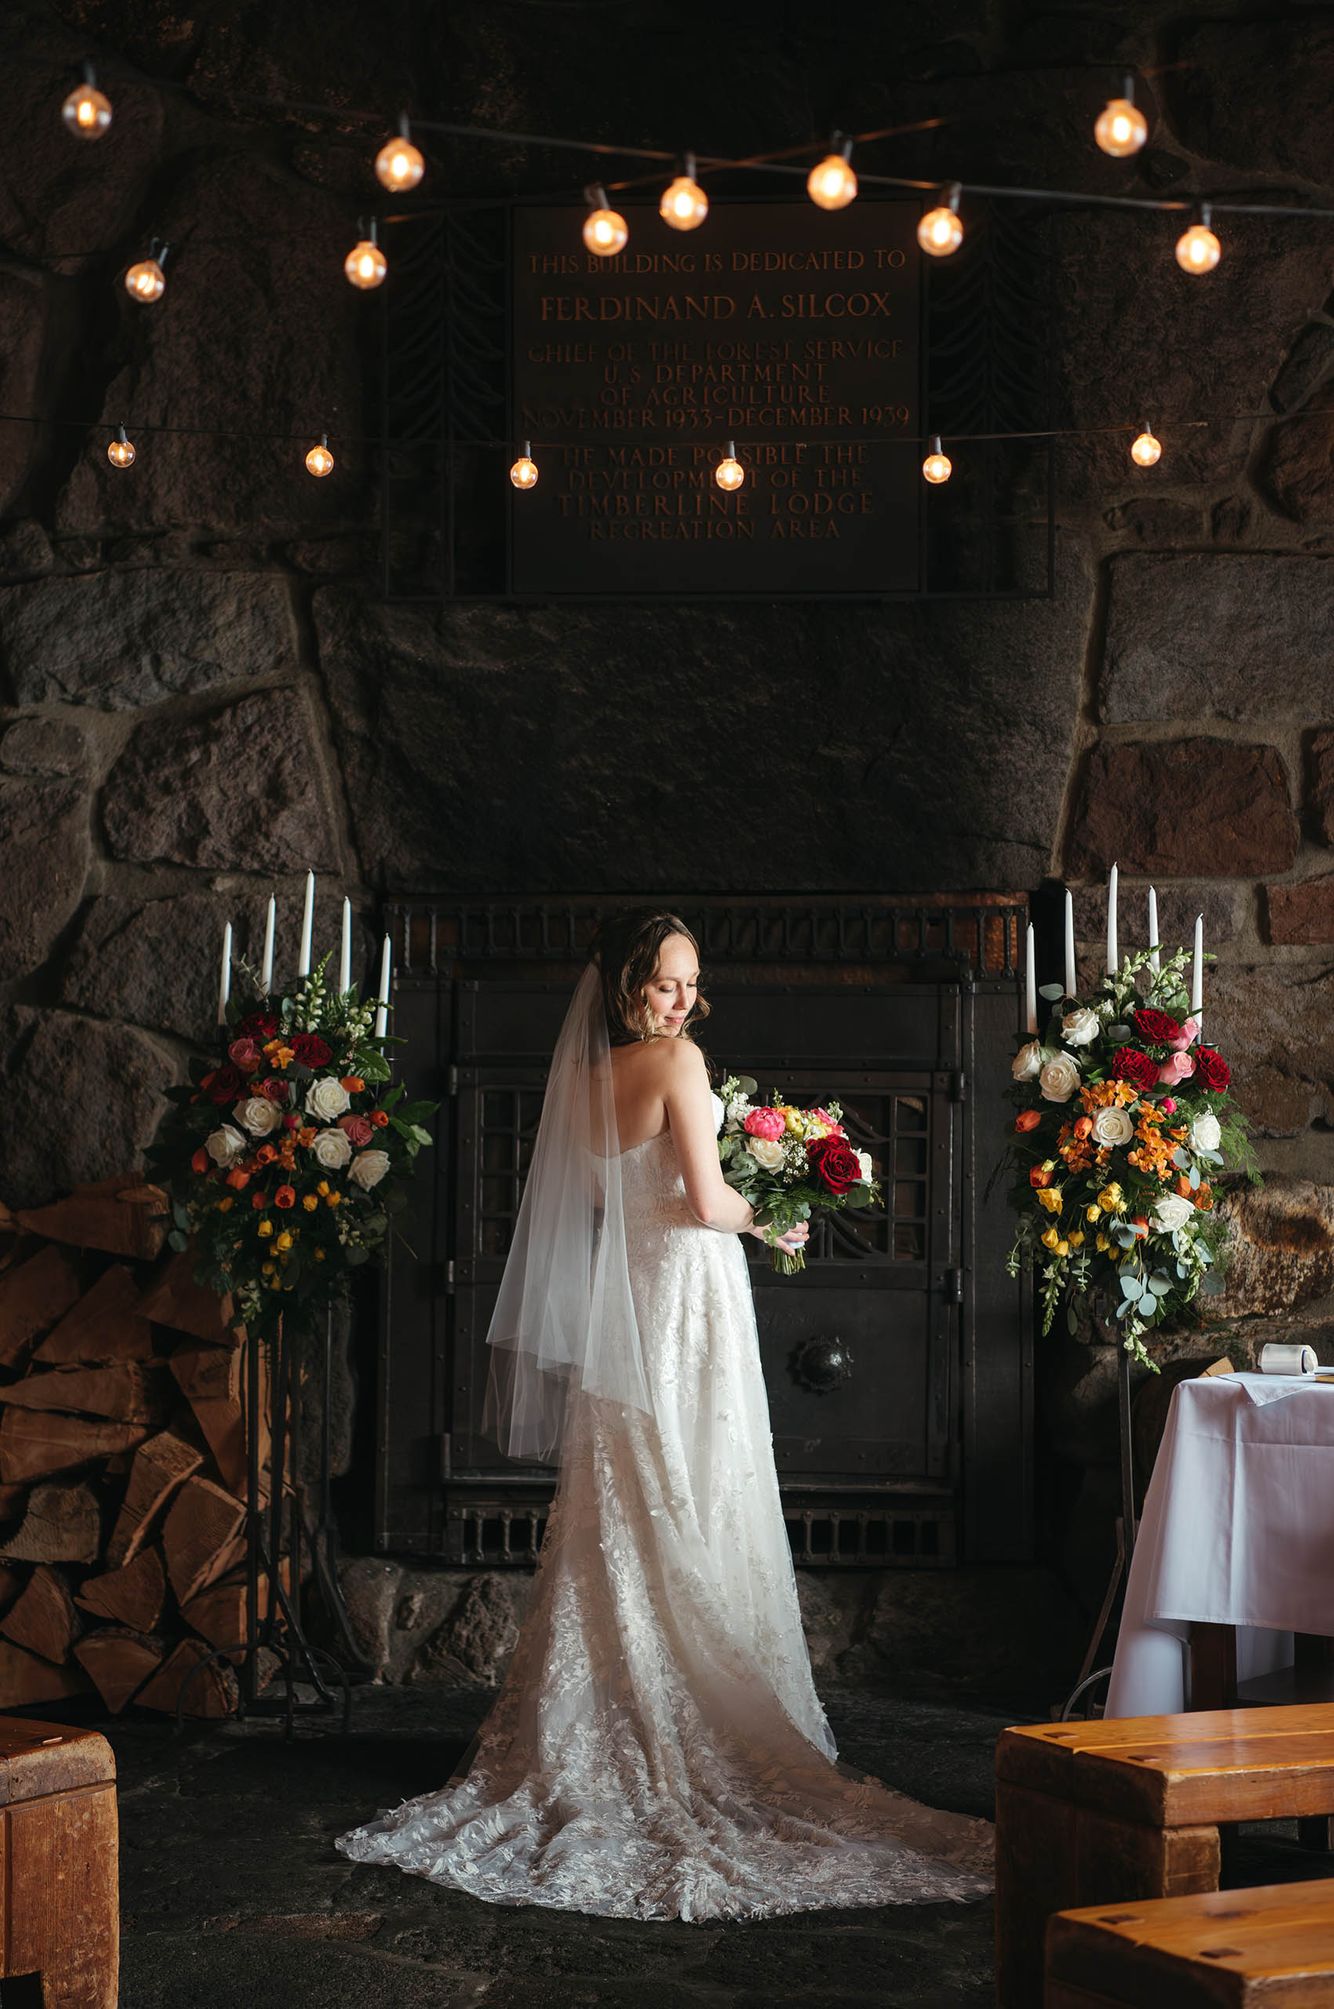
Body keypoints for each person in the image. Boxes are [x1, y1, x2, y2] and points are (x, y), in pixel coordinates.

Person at [336, 908, 991, 1921]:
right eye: (666, 981)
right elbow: (701, 1195)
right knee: (699, 1475)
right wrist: (784, 1206)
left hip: (627, 1298)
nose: (683, 998)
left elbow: (619, 1200)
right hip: (685, 1293)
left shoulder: (588, 1079)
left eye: (690, 980)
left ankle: (610, 1709)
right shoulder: (678, 1062)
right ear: (631, 984)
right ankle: (706, 1709)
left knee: (628, 1490)